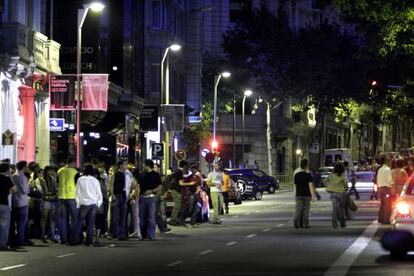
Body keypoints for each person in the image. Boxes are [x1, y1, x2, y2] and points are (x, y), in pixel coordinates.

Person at [73, 165, 102, 246]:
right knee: (91, 223)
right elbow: (99, 193)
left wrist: (78, 203)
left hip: (83, 203)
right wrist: (98, 204)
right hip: (93, 203)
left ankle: (75, 239)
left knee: (80, 222)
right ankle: (89, 241)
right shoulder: (95, 180)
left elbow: (77, 192)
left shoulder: (80, 179)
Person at [138, 159, 162, 240]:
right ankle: (143, 235)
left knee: (151, 217)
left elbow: (160, 186)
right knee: (142, 218)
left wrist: (152, 191)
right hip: (142, 198)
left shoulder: (156, 175)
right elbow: (138, 185)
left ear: (147, 165)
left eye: (144, 165)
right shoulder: (141, 175)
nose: (143, 166)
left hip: (151, 197)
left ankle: (151, 235)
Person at [57, 157, 79, 244]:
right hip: (72, 196)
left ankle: (63, 238)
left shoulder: (60, 171)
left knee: (63, 219)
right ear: (72, 163)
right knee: (74, 218)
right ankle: (72, 238)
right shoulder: (74, 172)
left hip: (62, 196)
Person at [293, 159, 317, 229]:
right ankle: (304, 224)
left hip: (298, 195)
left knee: (298, 210)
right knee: (306, 210)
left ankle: (295, 222)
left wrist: (295, 194)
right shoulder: (308, 175)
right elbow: (310, 186)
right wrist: (313, 196)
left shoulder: (296, 175)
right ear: (306, 166)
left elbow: (295, 185)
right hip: (306, 195)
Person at [109, 160, 130, 240]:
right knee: (114, 216)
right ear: (121, 166)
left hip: (124, 196)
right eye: (125, 164)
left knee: (123, 216)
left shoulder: (126, 175)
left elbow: (130, 184)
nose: (126, 166)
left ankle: (122, 234)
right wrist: (113, 195)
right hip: (117, 196)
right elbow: (111, 185)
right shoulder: (115, 174)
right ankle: (113, 233)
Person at [38, 166, 59, 243]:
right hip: (46, 200)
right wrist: (54, 191)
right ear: (46, 171)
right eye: (50, 171)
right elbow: (46, 191)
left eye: (52, 171)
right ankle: (43, 236)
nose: (51, 172)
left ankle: (52, 235)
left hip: (52, 200)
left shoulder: (53, 179)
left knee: (52, 218)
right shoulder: (42, 179)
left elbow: (55, 189)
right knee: (44, 218)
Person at [326, 163, 349, 228]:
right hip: (341, 193)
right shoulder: (342, 175)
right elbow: (346, 184)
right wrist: (346, 188)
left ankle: (334, 224)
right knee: (341, 209)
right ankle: (342, 223)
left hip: (333, 193)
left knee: (334, 209)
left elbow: (325, 180)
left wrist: (328, 185)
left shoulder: (331, 175)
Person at [0, 163, 16, 250]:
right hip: (4, 204)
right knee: (4, 226)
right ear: (7, 170)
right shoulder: (7, 179)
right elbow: (15, 189)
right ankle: (2, 244)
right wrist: (10, 176)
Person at [168, 160, 187, 226]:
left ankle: (175, 219)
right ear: (184, 166)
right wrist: (189, 183)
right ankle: (173, 220)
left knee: (178, 206)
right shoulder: (180, 173)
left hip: (173, 190)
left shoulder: (176, 172)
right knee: (177, 206)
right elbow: (180, 183)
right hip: (176, 191)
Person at [377, 156, 394, 224]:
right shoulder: (387, 169)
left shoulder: (380, 169)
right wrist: (392, 186)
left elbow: (377, 179)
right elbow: (390, 180)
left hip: (380, 187)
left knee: (382, 204)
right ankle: (386, 220)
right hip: (386, 188)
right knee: (387, 205)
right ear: (386, 161)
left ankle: (380, 218)